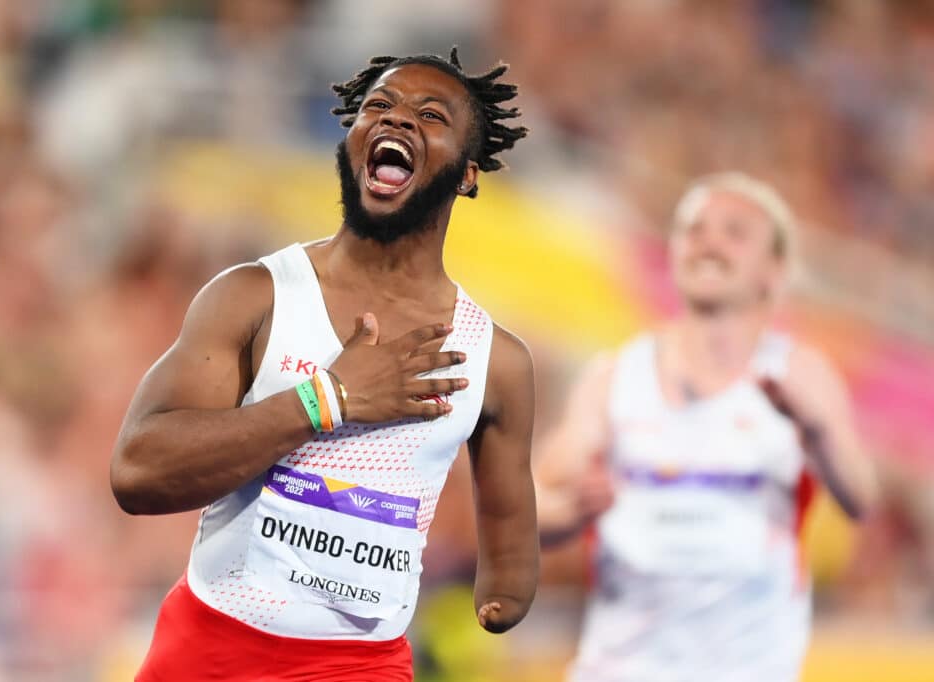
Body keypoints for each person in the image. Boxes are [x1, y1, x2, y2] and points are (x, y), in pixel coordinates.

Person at [110, 48, 538, 681]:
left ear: (468, 174)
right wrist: (327, 400)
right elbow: (137, 472)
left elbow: (507, 513)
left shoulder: (495, 359)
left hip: (360, 666)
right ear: (353, 141)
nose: (397, 121)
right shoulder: (255, 296)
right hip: (212, 646)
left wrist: (507, 587)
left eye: (429, 114)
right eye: (378, 106)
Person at [536, 173, 878, 682]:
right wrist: (569, 512)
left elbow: (861, 500)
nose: (709, 242)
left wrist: (818, 431)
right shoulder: (616, 377)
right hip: (621, 667)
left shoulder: (801, 374)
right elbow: (529, 507)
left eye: (735, 232)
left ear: (774, 271)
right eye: (693, 230)